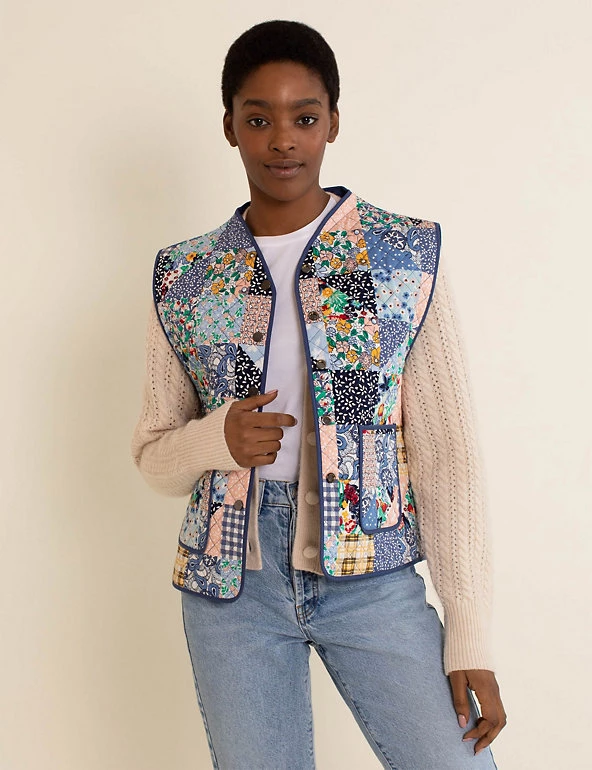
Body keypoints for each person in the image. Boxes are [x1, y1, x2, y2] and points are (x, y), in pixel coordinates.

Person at [131, 19, 506, 770]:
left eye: (304, 118)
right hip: (232, 588)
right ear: (230, 127)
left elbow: (448, 455)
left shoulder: (400, 256)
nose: (282, 141)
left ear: (333, 121)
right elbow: (153, 457)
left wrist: (469, 634)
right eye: (258, 119)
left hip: (373, 576)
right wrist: (216, 439)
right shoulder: (187, 274)